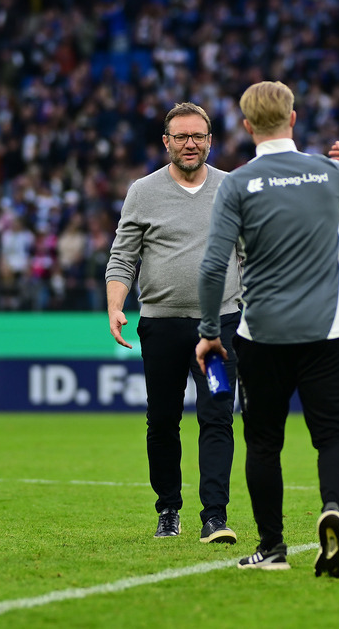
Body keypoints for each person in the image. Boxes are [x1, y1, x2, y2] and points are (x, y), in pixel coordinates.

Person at [194, 81, 339, 577]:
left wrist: (208, 330)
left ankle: (272, 548)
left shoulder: (238, 184)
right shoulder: (329, 170)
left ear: (247, 128)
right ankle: (333, 510)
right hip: (329, 333)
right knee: (332, 436)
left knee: (264, 443)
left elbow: (211, 268)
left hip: (262, 335)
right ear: (292, 119)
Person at [105, 102, 242, 544]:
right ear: (166, 142)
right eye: (180, 136)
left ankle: (215, 516)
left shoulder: (232, 188)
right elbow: (123, 256)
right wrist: (115, 306)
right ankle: (168, 509)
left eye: (197, 136)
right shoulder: (142, 192)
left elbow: (252, 254)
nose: (189, 143)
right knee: (162, 419)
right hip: (162, 327)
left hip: (219, 327)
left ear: (209, 140)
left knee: (218, 415)